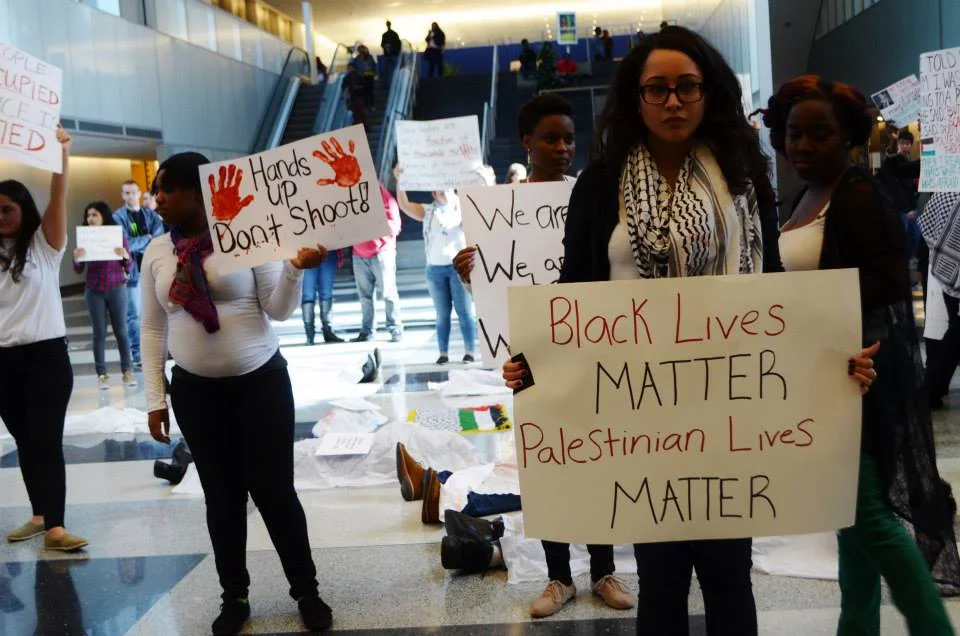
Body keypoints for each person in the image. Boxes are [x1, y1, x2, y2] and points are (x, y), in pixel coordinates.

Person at [501, 28, 879, 635]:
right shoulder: (602, 185)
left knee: (731, 574)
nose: (673, 101)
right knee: (662, 576)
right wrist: (533, 361)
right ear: (636, 97)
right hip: (639, 417)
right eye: (658, 89)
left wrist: (833, 361)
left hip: (732, 414)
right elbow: (573, 291)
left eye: (687, 87)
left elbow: (777, 292)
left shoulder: (744, 175)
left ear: (708, 93)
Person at [763, 75, 959, 634]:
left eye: (818, 135)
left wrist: (822, 324)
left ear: (846, 136)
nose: (802, 146)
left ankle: (934, 628)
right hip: (823, 375)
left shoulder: (854, 194)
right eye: (794, 134)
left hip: (858, 376)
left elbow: (889, 283)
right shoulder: (807, 196)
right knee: (847, 518)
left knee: (865, 511)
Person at [141, 152, 332, 635]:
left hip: (260, 384)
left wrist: (294, 269)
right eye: (156, 189)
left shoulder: (250, 235)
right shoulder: (158, 252)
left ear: (200, 191)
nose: (158, 198)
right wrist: (154, 398)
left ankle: (306, 591)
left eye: (168, 188)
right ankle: (235, 596)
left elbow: (279, 309)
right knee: (220, 497)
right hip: (195, 393)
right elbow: (151, 326)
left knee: (275, 492)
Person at [0, 125, 88, 552]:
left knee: (45, 439)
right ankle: (39, 514)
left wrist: (62, 154)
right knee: (24, 441)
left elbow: (59, 198)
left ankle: (55, 525)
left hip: (45, 358)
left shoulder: (44, 245)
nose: (0, 217)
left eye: (6, 210)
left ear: (22, 210)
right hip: (3, 361)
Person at [455, 94, 577, 286]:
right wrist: (471, 275)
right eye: (551, 139)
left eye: (569, 139)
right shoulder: (500, 208)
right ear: (527, 141)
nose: (562, 147)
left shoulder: (588, 195)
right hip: (526, 313)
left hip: (582, 312)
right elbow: (494, 281)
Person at [394, 169, 478, 364]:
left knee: (464, 311)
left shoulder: (463, 208)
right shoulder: (428, 210)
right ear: (434, 194)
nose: (444, 195)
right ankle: (443, 352)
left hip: (457, 268)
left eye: (447, 191)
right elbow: (404, 205)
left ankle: (470, 351)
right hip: (435, 269)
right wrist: (399, 180)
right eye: (439, 192)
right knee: (442, 314)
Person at [72, 201, 137, 390]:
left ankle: (128, 371)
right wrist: (77, 258)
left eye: (94, 215)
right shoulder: (84, 237)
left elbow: (129, 266)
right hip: (94, 290)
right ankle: (102, 374)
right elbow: (78, 269)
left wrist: (125, 256)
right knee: (98, 333)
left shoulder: (116, 234)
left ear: (103, 216)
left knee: (121, 331)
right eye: (88, 215)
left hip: (117, 287)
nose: (90, 219)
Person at [113, 179, 165, 367]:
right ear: (122, 195)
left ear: (139, 193)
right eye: (126, 193)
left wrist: (139, 243)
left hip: (153, 270)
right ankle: (137, 354)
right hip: (132, 273)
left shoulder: (150, 215)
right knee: (134, 315)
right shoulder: (117, 217)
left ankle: (160, 350)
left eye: (133, 192)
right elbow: (123, 243)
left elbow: (158, 239)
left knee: (158, 311)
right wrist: (146, 240)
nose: (130, 196)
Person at [921, 192, 960, 408]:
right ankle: (930, 391)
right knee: (955, 335)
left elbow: (926, 226)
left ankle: (932, 390)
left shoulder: (944, 194)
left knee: (955, 332)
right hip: (955, 275)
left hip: (945, 272)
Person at [352, 183, 403, 343]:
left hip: (382, 253)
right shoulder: (352, 194)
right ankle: (367, 331)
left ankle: (395, 328)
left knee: (388, 292)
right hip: (359, 253)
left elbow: (394, 226)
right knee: (365, 296)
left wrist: (375, 237)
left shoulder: (384, 196)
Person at [354, 45, 377, 112]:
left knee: (370, 91)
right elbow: (356, 67)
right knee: (364, 92)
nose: (361, 51)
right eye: (360, 50)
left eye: (362, 49)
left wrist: (375, 73)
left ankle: (372, 105)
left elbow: (373, 65)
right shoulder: (357, 59)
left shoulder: (369, 57)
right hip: (361, 76)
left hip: (369, 76)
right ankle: (366, 106)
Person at [380, 21, 401, 86]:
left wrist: (389, 47)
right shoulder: (390, 34)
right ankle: (387, 83)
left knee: (391, 70)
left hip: (392, 54)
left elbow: (398, 44)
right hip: (390, 54)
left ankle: (390, 83)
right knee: (388, 70)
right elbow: (382, 44)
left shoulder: (391, 34)